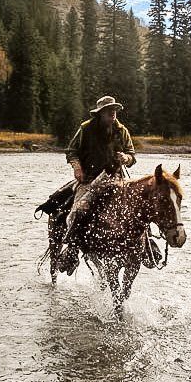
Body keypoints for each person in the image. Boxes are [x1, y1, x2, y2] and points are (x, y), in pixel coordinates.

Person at [57, 95, 136, 274]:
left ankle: (146, 246)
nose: (113, 113)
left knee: (136, 207)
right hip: (90, 180)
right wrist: (77, 168)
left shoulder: (122, 130)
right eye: (109, 111)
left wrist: (126, 158)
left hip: (116, 179)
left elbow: (132, 155)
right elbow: (71, 151)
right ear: (100, 113)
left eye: (114, 110)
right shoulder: (86, 129)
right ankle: (71, 249)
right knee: (78, 209)